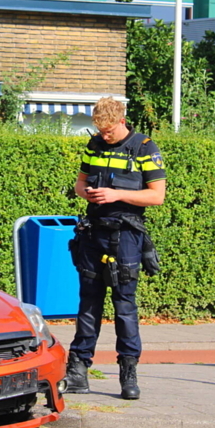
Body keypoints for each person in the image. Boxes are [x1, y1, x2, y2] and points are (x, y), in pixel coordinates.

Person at [64, 97, 166, 399]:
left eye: (108, 131)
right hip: (94, 233)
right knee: (88, 304)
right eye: (100, 130)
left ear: (121, 120)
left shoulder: (145, 148)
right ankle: (79, 369)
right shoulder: (94, 144)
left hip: (126, 236)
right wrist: (90, 195)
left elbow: (156, 196)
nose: (104, 136)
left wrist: (115, 195)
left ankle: (128, 372)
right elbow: (79, 185)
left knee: (125, 306)